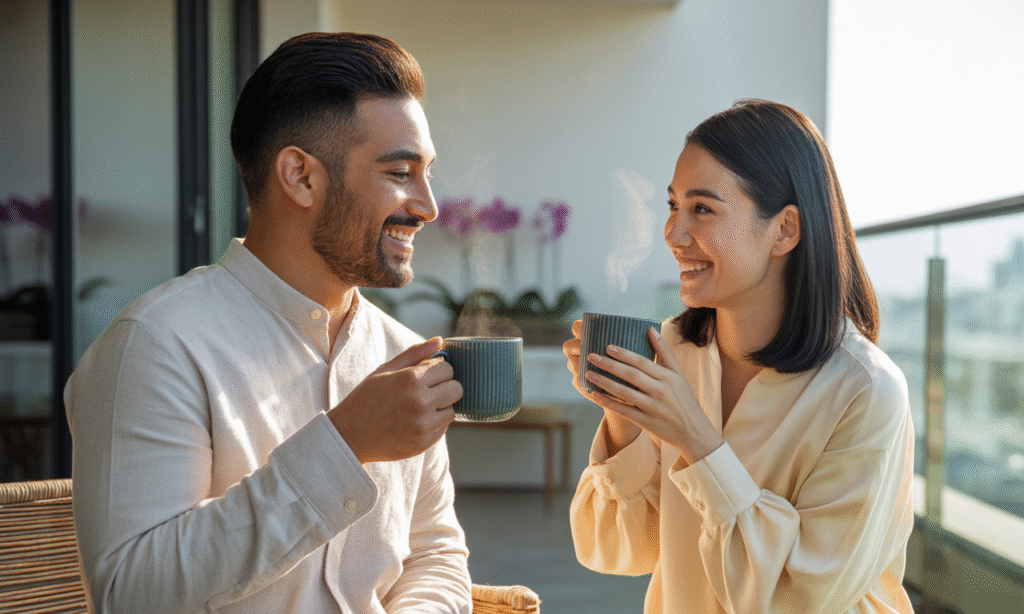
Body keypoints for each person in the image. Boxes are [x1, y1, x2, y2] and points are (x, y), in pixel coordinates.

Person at [65, 32, 472, 613]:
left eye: (427, 172)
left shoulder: (401, 352)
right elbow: (132, 593)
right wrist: (345, 444)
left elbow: (435, 555)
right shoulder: (155, 345)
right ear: (301, 177)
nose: (429, 205)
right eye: (401, 172)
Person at [563, 99, 915, 613]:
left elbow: (796, 599)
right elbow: (612, 549)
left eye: (702, 209)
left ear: (785, 230)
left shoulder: (866, 390)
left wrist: (696, 440)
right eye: (672, 206)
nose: (674, 234)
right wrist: (623, 416)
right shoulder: (674, 352)